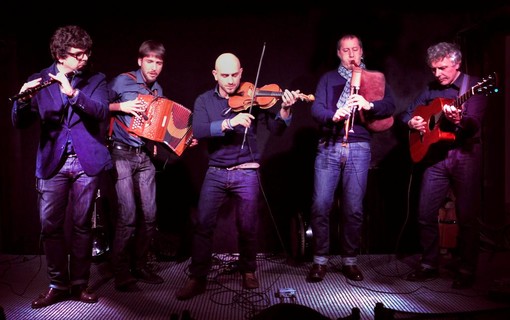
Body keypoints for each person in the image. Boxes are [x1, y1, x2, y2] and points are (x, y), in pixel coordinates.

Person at [175, 52, 300, 300]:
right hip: (217, 171)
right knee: (203, 225)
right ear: (215, 75)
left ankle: (248, 270)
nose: (231, 80)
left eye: (235, 74)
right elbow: (199, 129)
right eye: (225, 75)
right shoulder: (204, 101)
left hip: (247, 171)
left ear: (242, 72)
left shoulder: (254, 96)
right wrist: (230, 123)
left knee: (248, 226)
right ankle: (198, 277)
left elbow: (276, 129)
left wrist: (285, 109)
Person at [11, 25, 112, 308]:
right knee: (50, 226)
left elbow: (102, 112)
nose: (84, 58)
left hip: (85, 162)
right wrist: (22, 99)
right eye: (77, 54)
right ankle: (57, 284)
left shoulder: (96, 79)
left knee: (82, 226)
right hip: (52, 162)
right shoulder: (38, 79)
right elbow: (20, 123)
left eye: (86, 53)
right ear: (60, 54)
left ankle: (80, 283)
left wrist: (74, 94)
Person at [306, 34, 396, 283]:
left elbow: (389, 106)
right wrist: (334, 116)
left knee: (354, 208)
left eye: (355, 49)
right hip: (329, 145)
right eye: (346, 50)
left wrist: (369, 104)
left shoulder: (374, 78)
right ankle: (320, 260)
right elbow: (316, 109)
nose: (351, 55)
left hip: (359, 147)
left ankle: (349, 260)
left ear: (361, 51)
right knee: (321, 205)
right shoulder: (328, 78)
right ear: (338, 54)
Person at [402, 42, 489, 289]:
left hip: (465, 154)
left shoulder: (474, 86)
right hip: (436, 157)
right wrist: (413, 123)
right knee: (425, 213)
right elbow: (407, 113)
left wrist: (459, 119)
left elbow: (474, 124)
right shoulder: (430, 90)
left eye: (442, 68)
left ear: (457, 63)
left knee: (467, 216)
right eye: (433, 69)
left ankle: (466, 268)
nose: (437, 74)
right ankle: (429, 264)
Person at [107, 40, 168, 291]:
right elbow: (99, 107)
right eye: (150, 61)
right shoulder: (122, 81)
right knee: (128, 216)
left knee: (151, 215)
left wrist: (179, 141)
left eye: (159, 62)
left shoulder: (159, 91)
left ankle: (140, 265)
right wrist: (122, 106)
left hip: (144, 156)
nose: (154, 67)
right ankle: (121, 270)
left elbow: (157, 128)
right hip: (121, 153)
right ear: (140, 61)